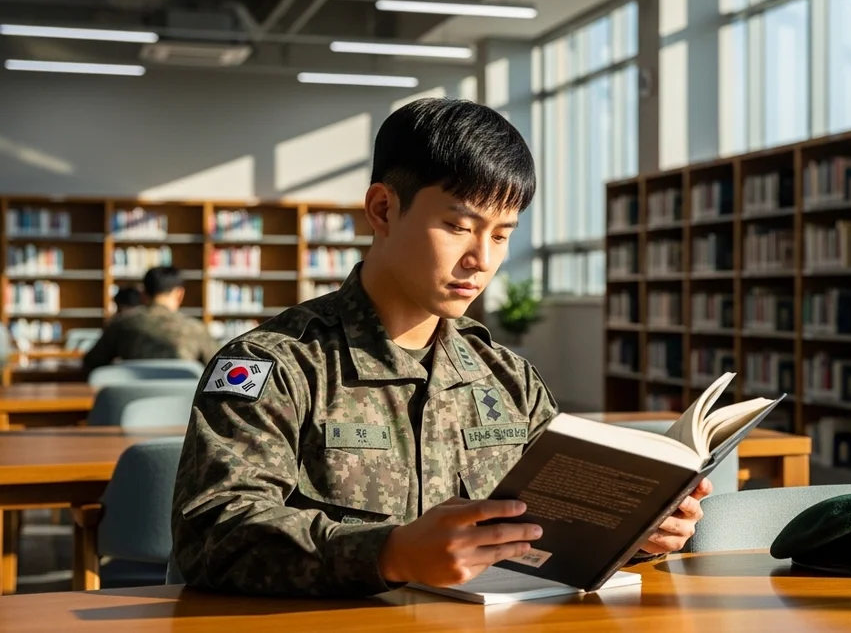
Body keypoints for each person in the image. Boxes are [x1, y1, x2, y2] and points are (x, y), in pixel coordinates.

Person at [170, 98, 712, 598]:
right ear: (382, 210)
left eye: (501, 235)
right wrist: (390, 553)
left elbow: (553, 525)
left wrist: (635, 532)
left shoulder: (505, 378)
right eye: (458, 226)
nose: (481, 259)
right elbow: (213, 535)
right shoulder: (278, 366)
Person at [81, 266, 219, 373]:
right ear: (179, 294)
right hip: (182, 406)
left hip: (130, 405)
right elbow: (219, 368)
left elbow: (91, 363)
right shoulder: (195, 329)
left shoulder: (121, 324)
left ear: (143, 293)